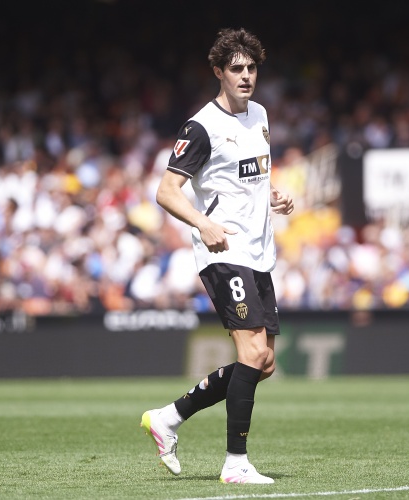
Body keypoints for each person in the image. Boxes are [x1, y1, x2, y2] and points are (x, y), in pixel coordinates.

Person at [141, 27, 294, 485]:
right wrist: (202, 224)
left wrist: (273, 195)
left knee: (263, 363)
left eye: (252, 68)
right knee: (252, 352)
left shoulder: (260, 115)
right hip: (224, 250)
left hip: (259, 251)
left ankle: (168, 417)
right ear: (218, 72)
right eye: (236, 68)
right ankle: (235, 463)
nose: (246, 76)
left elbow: (250, 175)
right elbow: (166, 191)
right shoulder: (201, 127)